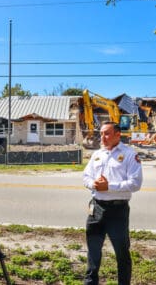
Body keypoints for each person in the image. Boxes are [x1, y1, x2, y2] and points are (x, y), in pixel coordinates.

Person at [83, 121, 143, 285]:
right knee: (93, 251)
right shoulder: (97, 154)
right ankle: (90, 282)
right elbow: (86, 177)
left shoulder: (129, 154)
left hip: (117, 211)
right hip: (96, 208)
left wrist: (109, 186)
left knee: (122, 253)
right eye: (101, 133)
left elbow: (135, 183)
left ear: (118, 134)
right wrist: (93, 184)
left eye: (107, 133)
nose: (103, 137)